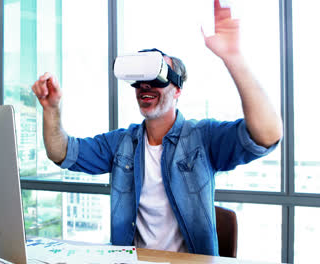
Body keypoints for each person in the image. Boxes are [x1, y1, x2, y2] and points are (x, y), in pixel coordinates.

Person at [31, 0, 283, 256]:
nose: (146, 86)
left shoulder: (202, 138)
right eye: (140, 81)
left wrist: (234, 57)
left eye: (157, 78)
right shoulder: (121, 143)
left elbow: (267, 135)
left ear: (177, 90)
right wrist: (51, 109)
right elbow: (62, 153)